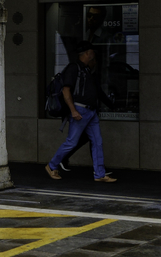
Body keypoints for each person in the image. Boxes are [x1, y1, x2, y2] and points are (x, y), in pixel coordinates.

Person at [45, 41, 116, 183]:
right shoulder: (74, 68)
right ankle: (52, 165)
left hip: (91, 111)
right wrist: (73, 110)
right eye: (92, 52)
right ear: (87, 53)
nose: (94, 55)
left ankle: (100, 174)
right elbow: (66, 90)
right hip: (80, 110)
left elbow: (97, 92)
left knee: (97, 142)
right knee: (72, 142)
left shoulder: (86, 70)